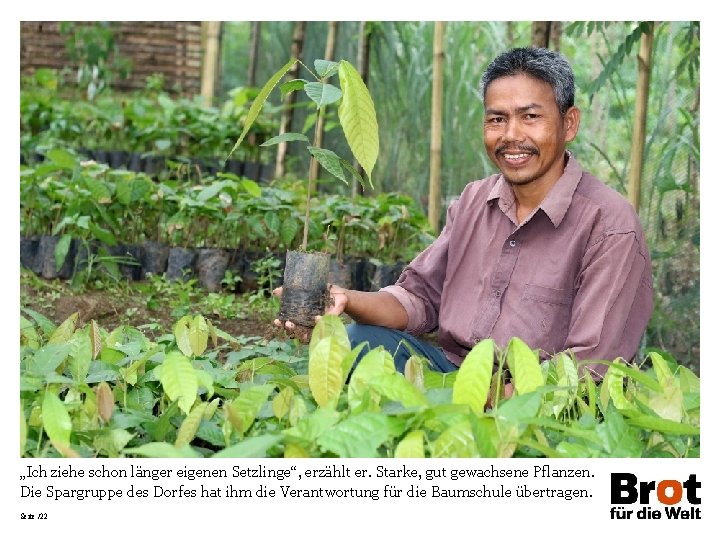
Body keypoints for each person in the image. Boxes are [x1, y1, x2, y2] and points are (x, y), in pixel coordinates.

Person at [274, 46, 653, 386]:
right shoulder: (475, 199)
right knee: (358, 343)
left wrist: (475, 401)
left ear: (569, 123)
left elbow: (589, 368)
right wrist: (343, 300)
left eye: (531, 116)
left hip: (536, 404)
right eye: (497, 119)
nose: (511, 135)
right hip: (452, 372)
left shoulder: (610, 225)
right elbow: (419, 298)